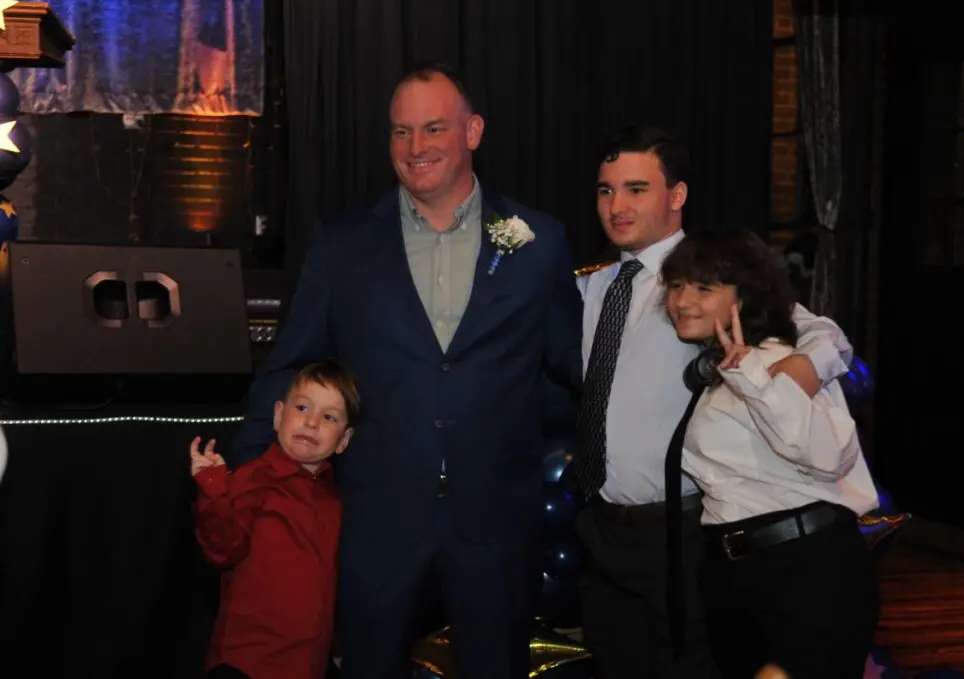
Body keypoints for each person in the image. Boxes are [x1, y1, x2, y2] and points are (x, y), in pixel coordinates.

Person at [231, 62, 581, 679]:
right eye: (400, 131)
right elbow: (293, 363)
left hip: (497, 518)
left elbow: (572, 364)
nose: (415, 146)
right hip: (377, 517)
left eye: (433, 128)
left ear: (472, 131)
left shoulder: (538, 242)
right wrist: (246, 480)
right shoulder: (343, 244)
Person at [572, 125, 854, 679]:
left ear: (677, 195)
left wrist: (796, 373)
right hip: (600, 528)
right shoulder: (591, 286)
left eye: (636, 189)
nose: (617, 206)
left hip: (684, 529)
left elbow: (826, 335)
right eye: (606, 190)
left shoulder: (708, 279)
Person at [662, 228, 880, 679]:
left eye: (704, 288)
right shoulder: (721, 368)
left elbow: (828, 456)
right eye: (677, 285)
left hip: (805, 572)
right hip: (736, 575)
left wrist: (756, 380)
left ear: (743, 297)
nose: (683, 300)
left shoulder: (781, 360)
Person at [191, 360, 360, 679]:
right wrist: (214, 490)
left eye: (329, 417)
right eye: (302, 408)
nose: (311, 422)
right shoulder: (251, 480)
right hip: (246, 665)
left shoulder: (334, 501)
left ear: (343, 440)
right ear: (278, 416)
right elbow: (221, 549)